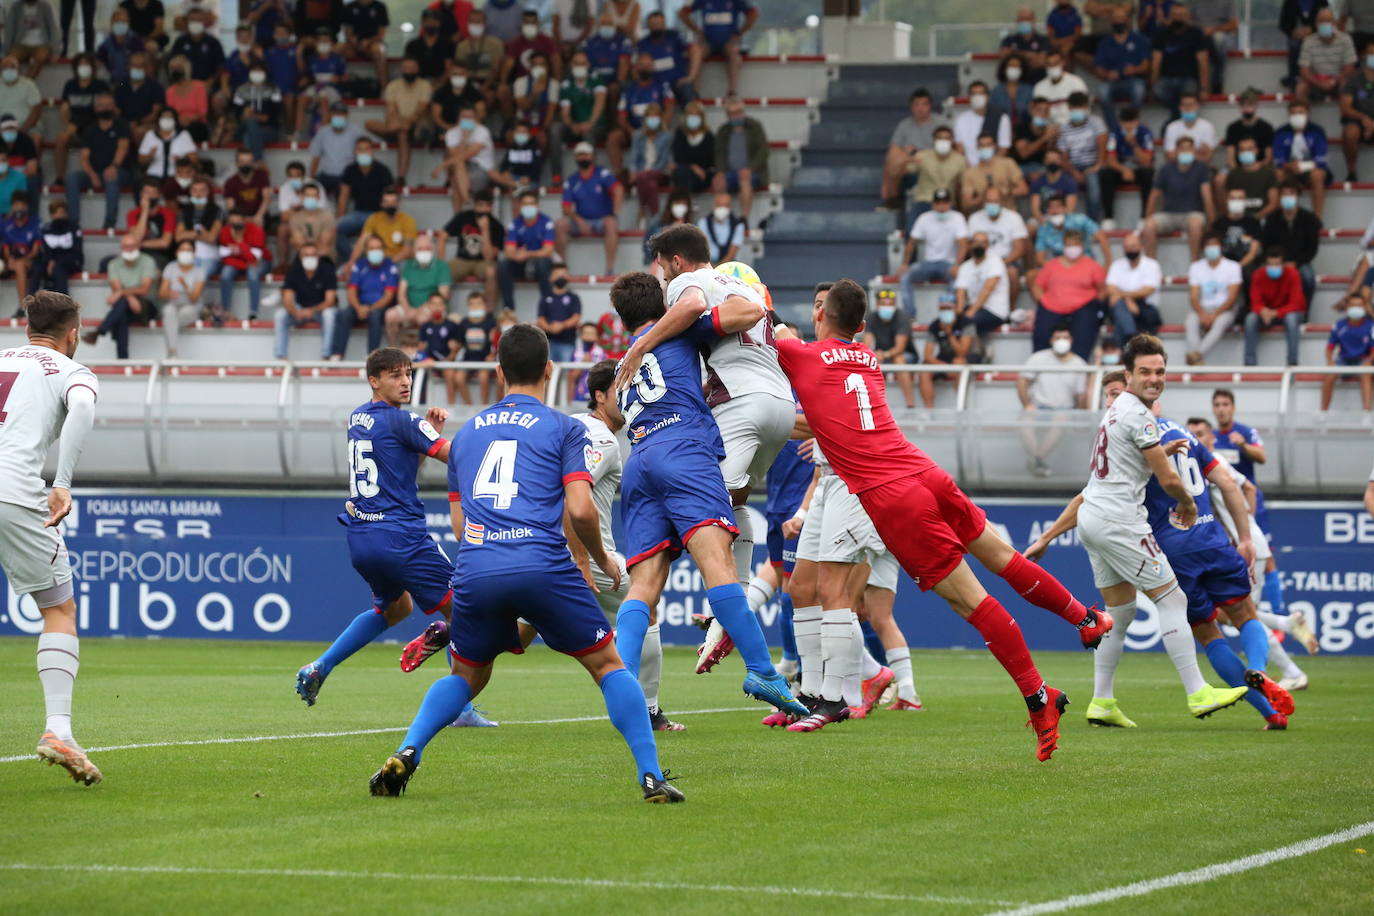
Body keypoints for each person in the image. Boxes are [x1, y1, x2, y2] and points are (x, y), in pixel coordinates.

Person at [774, 279, 1105, 757]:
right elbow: (822, 412)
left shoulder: (803, 356)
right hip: (923, 468)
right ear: (863, 327)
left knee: (970, 602)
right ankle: (1085, 616)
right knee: (1001, 556)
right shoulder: (868, 359)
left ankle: (1039, 697)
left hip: (893, 494)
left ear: (820, 313)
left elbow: (774, 329)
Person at [368, 328, 679, 801]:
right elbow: (579, 509)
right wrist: (601, 561)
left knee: (467, 676)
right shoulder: (565, 427)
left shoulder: (468, 433)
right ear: (550, 370)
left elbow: (458, 525)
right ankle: (651, 775)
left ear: (498, 372)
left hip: (475, 566)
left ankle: (408, 752)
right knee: (607, 665)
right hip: (541, 562)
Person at [1029, 373, 1291, 729]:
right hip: (1205, 537)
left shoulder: (1128, 432)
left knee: (1172, 624)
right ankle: (1238, 679)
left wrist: (1047, 538)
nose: (1112, 402)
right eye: (1108, 395)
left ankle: (1266, 711)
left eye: (1116, 394)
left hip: (1153, 539)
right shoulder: (1183, 435)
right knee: (1237, 613)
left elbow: (1088, 497)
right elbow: (1226, 482)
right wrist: (1241, 534)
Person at [603, 268, 807, 718]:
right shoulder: (680, 332)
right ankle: (762, 671)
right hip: (684, 450)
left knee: (645, 585)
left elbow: (618, 409)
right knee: (717, 565)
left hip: (639, 460)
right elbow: (739, 314)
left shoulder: (623, 364)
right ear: (663, 306)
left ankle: (622, 682)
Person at [295, 348, 464, 710]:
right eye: (394, 375)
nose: (405, 382)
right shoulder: (404, 420)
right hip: (401, 537)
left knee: (395, 609)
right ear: (374, 381)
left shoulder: (358, 418)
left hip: (362, 537)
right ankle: (460, 708)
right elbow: (458, 456)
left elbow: (400, 468)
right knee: (462, 610)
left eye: (408, 374)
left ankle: (320, 666)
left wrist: (428, 434)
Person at [0, 290, 102, 785]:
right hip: (13, 492)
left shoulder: (3, 359)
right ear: (73, 334)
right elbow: (82, 408)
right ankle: (58, 730)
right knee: (58, 608)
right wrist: (61, 483)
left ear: (26, 329)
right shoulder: (69, 370)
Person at [570, 361, 681, 727]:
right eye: (623, 390)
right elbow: (571, 498)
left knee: (516, 636)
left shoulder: (570, 424)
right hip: (582, 555)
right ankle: (647, 710)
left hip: (538, 551)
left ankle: (450, 631)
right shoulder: (602, 439)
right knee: (645, 602)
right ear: (600, 396)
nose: (631, 397)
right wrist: (583, 558)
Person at [1018, 323, 1089, 478]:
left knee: (1061, 420)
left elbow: (1081, 395)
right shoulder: (1038, 358)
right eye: (1058, 337)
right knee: (1025, 422)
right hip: (1038, 407)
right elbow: (1022, 381)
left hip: (1064, 410)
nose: (1061, 340)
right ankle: (1038, 461)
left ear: (1071, 340)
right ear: (1051, 340)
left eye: (1065, 337)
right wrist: (1027, 405)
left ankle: (1037, 459)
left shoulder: (1079, 363)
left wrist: (1079, 417)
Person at [83, 234, 156, 359]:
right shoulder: (114, 264)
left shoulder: (148, 261)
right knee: (122, 314)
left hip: (146, 306)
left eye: (132, 246)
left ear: (138, 246)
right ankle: (122, 357)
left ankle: (99, 332)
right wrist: (128, 297)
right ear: (121, 248)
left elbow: (144, 289)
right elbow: (116, 289)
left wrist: (123, 293)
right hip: (127, 306)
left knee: (120, 305)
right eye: (125, 247)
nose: (129, 250)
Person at [64, 94, 130, 232]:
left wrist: (113, 167)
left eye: (108, 105)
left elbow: (122, 149)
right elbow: (84, 157)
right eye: (101, 105)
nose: (105, 108)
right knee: (72, 178)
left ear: (114, 107)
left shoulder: (121, 125)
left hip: (118, 170)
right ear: (95, 108)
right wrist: (92, 174)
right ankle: (73, 223)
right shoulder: (90, 129)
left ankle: (109, 223)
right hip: (94, 171)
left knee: (111, 178)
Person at [1142, 136, 1212, 264]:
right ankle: (1151, 266)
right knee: (1148, 226)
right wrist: (1148, 217)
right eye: (1182, 149)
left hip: (1192, 214)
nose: (1186, 152)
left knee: (1195, 225)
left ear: (1194, 151)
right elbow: (1154, 196)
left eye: (1189, 148)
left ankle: (1194, 263)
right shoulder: (1166, 169)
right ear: (1176, 151)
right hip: (1168, 214)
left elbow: (1207, 196)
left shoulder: (1201, 168)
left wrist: (1211, 223)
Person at [898, 188, 967, 315]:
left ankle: (949, 316)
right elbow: (912, 242)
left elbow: (963, 244)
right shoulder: (924, 218)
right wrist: (904, 264)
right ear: (933, 204)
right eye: (938, 202)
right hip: (928, 263)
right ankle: (910, 315)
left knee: (959, 278)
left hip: (949, 264)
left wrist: (957, 265)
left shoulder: (958, 218)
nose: (941, 206)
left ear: (950, 204)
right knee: (905, 276)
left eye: (944, 202)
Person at [557, 141, 622, 276]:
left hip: (602, 220)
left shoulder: (602, 174)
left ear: (592, 156)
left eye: (586, 154)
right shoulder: (572, 180)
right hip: (581, 220)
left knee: (611, 223)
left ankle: (609, 270)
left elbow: (618, 188)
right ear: (575, 157)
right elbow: (566, 207)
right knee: (560, 224)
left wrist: (614, 212)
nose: (583, 158)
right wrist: (578, 220)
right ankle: (561, 268)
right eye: (580, 155)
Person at [334, 235, 398, 359]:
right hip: (360, 305)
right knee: (344, 314)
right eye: (372, 248)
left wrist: (371, 308)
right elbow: (351, 290)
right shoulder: (359, 265)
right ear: (366, 251)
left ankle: (372, 356)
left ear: (384, 250)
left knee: (375, 315)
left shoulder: (390, 266)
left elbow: (389, 295)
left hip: (380, 306)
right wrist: (358, 308)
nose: (376, 251)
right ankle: (337, 354)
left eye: (379, 248)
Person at [1185, 233, 1243, 365]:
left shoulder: (1233, 267)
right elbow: (1193, 297)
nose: (1212, 248)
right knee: (1190, 322)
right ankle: (1196, 357)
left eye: (1214, 245)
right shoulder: (1196, 267)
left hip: (1225, 309)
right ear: (1203, 249)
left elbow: (1232, 297)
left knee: (1220, 323)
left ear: (1221, 247)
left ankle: (1196, 355)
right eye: (1208, 245)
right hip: (1203, 308)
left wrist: (1215, 314)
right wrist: (1202, 314)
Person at [552, 50, 608, 185]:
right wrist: (572, 125)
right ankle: (556, 175)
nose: (579, 66)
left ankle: (591, 176)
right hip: (575, 127)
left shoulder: (596, 79)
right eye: (576, 64)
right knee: (555, 128)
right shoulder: (566, 85)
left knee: (588, 134)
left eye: (583, 63)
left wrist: (590, 122)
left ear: (588, 65)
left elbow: (599, 102)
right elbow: (565, 112)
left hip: (595, 126)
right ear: (571, 66)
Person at [679, 0, 757, 98]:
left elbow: (754, 13)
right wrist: (697, 30)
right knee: (696, 50)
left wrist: (739, 33)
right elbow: (682, 13)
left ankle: (732, 91)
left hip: (728, 43)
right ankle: (694, 91)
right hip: (709, 42)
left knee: (734, 52)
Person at [439, 189, 502, 309]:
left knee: (491, 271)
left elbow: (489, 257)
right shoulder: (463, 217)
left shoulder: (497, 226)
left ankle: (489, 312)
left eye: (486, 206)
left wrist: (485, 231)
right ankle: (441, 310)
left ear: (491, 207)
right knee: (443, 271)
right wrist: (440, 262)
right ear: (474, 205)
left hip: (483, 262)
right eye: (480, 205)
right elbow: (442, 235)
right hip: (462, 260)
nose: (483, 209)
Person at [1262, 182, 1321, 306]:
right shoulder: (1271, 219)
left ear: (1297, 196)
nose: (1288, 197)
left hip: (1301, 262)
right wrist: (1278, 262)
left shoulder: (1309, 219)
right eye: (1284, 194)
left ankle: (1304, 313)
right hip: (1275, 260)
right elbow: (1266, 245)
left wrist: (1296, 263)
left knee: (1308, 279)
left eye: (1291, 194)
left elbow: (1312, 248)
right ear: (1279, 197)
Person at [275, 242, 338, 360]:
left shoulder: (327, 269)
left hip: (320, 310)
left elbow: (330, 300)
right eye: (306, 255)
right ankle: (281, 356)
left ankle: (326, 355)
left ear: (318, 256)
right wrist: (295, 312)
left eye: (313, 255)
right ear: (300, 257)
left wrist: (311, 310)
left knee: (329, 314)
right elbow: (287, 298)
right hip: (299, 310)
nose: (310, 258)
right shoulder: (294, 270)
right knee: (280, 315)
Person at [712, 94, 769, 223]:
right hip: (730, 172)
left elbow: (763, 151)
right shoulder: (723, 130)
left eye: (738, 112)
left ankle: (744, 217)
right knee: (719, 181)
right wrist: (720, 172)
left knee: (745, 177)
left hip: (753, 172)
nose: (735, 116)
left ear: (743, 112)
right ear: (727, 114)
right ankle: (722, 219)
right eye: (732, 113)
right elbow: (719, 154)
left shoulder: (755, 126)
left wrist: (750, 168)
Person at [338, 137, 396, 261]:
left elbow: (392, 197)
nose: (363, 152)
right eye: (360, 149)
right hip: (358, 213)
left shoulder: (383, 170)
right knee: (336, 229)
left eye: (367, 149)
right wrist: (341, 217)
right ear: (355, 152)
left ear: (372, 151)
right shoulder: (350, 170)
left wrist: (389, 217)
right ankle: (349, 261)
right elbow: (343, 197)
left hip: (379, 214)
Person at [881, 88, 943, 207]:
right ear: (911, 107)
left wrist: (918, 152)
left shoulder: (940, 123)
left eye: (924, 104)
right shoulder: (904, 125)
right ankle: (892, 200)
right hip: (912, 163)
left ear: (930, 106)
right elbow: (893, 151)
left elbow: (947, 147)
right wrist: (904, 154)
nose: (920, 108)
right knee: (893, 160)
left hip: (935, 161)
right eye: (916, 104)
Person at [967, 187, 1029, 305]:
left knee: (1012, 273)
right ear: (983, 202)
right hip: (981, 259)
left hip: (1007, 260)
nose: (992, 204)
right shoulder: (974, 218)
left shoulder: (1014, 217)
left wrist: (1001, 262)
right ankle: (973, 308)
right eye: (989, 201)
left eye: (995, 201)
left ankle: (1010, 311)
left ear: (1002, 201)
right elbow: (970, 245)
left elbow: (1020, 249)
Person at [1245, 248, 1306, 365]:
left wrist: (1275, 313)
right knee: (1250, 319)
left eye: (1277, 264)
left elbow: (1296, 303)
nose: (1273, 267)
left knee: (1291, 319)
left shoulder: (1293, 274)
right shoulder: (1258, 275)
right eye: (1270, 264)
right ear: (1264, 265)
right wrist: (1262, 311)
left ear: (1283, 264)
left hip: (1289, 313)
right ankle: (1249, 362)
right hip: (1266, 314)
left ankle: (1292, 362)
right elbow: (1255, 302)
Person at [54, 55, 110, 181]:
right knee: (61, 138)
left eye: (87, 64)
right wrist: (68, 124)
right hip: (74, 127)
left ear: (93, 68)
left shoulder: (101, 85)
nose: (84, 67)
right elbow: (64, 107)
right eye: (81, 64)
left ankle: (98, 175)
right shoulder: (70, 85)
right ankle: (59, 177)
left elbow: (106, 110)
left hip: (95, 126)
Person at [1093, 5, 1150, 128]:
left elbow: (1146, 65)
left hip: (1133, 80)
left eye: (1121, 18)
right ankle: (1114, 129)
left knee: (1139, 90)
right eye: (1115, 18)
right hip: (1112, 82)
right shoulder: (1105, 42)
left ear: (1128, 20)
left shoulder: (1139, 39)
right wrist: (1107, 74)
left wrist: (1134, 69)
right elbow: (1099, 68)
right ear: (1111, 21)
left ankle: (1130, 124)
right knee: (1102, 91)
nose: (1118, 21)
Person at [1055, 91, 1108, 221]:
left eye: (1081, 107)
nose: (1078, 110)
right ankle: (1063, 220)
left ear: (1087, 107)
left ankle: (1093, 221)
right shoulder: (1064, 128)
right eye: (1074, 107)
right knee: (1061, 182)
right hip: (1072, 166)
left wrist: (1098, 165)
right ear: (1069, 108)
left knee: (1093, 183)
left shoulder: (1096, 122)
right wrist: (1073, 172)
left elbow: (1103, 145)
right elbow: (1063, 156)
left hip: (1093, 164)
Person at [1151, 3, 1210, 119]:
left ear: (1188, 16)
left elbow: (1203, 63)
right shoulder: (1161, 33)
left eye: (1181, 15)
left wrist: (1204, 88)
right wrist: (1152, 85)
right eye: (1174, 15)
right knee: (1158, 91)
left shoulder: (1196, 34)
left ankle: (1173, 119)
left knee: (1188, 96)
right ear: (1170, 16)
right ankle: (1178, 115)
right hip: (1166, 78)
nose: (1178, 18)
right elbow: (1156, 62)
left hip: (1189, 79)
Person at [499, 189, 556, 310]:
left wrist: (527, 254)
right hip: (520, 263)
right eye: (525, 204)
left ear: (538, 205)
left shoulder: (546, 222)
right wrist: (517, 256)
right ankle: (508, 309)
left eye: (532, 203)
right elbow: (509, 251)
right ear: (520, 206)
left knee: (543, 263)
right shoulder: (515, 223)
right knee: (504, 265)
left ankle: (548, 306)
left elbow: (548, 250)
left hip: (539, 263)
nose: (528, 207)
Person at [1273, 99, 1330, 218]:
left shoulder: (1317, 131)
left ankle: (1317, 218)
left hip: (1311, 169)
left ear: (1308, 114)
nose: (1297, 116)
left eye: (1301, 112)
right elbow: (1278, 159)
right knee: (1278, 174)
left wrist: (1303, 166)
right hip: (1289, 170)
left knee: (1317, 175)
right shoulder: (1281, 132)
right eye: (1293, 113)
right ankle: (1280, 216)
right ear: (1289, 115)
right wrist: (1290, 166)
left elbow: (1320, 158)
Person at [1099, 105, 1155, 225]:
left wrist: (1134, 144)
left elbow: (1147, 160)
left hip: (1139, 170)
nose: (1129, 126)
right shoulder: (1115, 135)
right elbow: (1110, 160)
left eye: (1132, 122)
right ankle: (1108, 218)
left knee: (1148, 173)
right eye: (1125, 123)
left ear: (1137, 122)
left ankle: (1144, 217)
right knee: (1105, 174)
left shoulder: (1145, 134)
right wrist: (1124, 170)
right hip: (1121, 170)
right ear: (1120, 123)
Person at [434, 103, 495, 211]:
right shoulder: (451, 133)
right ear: (459, 118)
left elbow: (467, 155)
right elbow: (457, 157)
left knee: (455, 178)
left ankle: (461, 214)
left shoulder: (482, 131)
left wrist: (442, 166)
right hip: (461, 170)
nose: (467, 120)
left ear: (476, 118)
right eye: (464, 117)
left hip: (481, 171)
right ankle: (466, 202)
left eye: (470, 117)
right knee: (456, 174)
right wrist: (464, 139)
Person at [919, 296, 978, 407]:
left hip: (969, 357)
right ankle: (929, 412)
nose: (945, 311)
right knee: (924, 371)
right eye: (942, 308)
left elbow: (962, 351)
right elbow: (927, 355)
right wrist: (942, 365)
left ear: (955, 308)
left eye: (948, 308)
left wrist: (949, 333)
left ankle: (961, 408)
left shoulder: (966, 323)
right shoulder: (935, 325)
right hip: (945, 360)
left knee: (958, 362)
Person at [1106, 232, 1163, 345]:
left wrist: (1123, 296)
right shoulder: (1117, 265)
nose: (1130, 250)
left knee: (1120, 312)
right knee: (1120, 307)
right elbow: (1110, 288)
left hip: (1145, 309)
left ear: (1141, 246)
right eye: (1127, 247)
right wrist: (1128, 300)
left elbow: (1147, 290)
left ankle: (1122, 347)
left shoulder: (1152, 265)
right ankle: (1131, 337)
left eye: (1133, 247)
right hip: (1123, 306)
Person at [954, 230, 1012, 340]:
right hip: (974, 308)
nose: (980, 245)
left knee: (967, 321)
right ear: (970, 244)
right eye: (976, 242)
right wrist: (959, 311)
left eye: (983, 242)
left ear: (988, 246)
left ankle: (973, 353)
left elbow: (988, 289)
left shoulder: (995, 261)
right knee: (945, 321)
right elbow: (960, 291)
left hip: (995, 311)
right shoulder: (965, 266)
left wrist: (971, 311)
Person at [864, 290, 915, 409]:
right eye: (883, 304)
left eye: (890, 304)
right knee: (871, 361)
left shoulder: (902, 317)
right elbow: (867, 344)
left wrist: (884, 355)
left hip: (906, 356)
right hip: (880, 355)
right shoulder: (871, 317)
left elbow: (900, 348)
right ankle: (874, 405)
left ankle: (910, 404)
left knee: (899, 359)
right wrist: (875, 355)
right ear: (877, 305)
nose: (887, 307)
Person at [1322, 295, 1374, 410]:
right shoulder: (1339, 325)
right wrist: (1330, 362)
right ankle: (1323, 412)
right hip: (1344, 360)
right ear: (1346, 308)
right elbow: (1329, 348)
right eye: (1352, 305)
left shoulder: (1370, 326)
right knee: (1329, 375)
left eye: (1359, 305)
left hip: (1363, 360)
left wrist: (1369, 361)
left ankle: (1367, 412)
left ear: (1365, 307)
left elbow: (1373, 350)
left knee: (1366, 373)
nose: (1356, 308)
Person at [1296, 7, 1357, 104]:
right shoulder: (1308, 41)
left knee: (1346, 85)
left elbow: (1349, 68)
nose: (1324, 24)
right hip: (1316, 81)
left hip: (1338, 80)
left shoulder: (1345, 39)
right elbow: (1304, 71)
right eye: (1321, 21)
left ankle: (1347, 118)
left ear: (1334, 23)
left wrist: (1334, 81)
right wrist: (1320, 83)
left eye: (1328, 20)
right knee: (1301, 88)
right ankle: (1303, 116)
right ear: (1316, 24)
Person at [217, 212, 270, 322]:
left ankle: (253, 313)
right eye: (232, 223)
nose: (236, 226)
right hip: (239, 263)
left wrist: (240, 242)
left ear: (245, 221)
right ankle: (226, 311)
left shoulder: (256, 230)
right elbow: (224, 257)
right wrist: (243, 265)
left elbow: (255, 259)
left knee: (252, 273)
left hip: (262, 261)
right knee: (226, 273)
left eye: (238, 222)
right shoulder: (225, 231)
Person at [296, 28, 348, 137]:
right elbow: (308, 75)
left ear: (331, 43)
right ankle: (298, 132)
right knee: (302, 99)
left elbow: (345, 77)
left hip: (331, 89)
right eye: (320, 41)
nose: (323, 44)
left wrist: (337, 78)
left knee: (323, 99)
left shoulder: (337, 59)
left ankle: (324, 134)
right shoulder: (312, 59)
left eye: (326, 41)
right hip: (316, 86)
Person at [157, 240, 205, 357]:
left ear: (194, 253)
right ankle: (173, 351)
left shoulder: (200, 271)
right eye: (182, 250)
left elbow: (194, 297)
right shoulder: (170, 267)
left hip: (192, 306)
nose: (185, 253)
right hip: (174, 304)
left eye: (189, 250)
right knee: (168, 310)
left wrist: (185, 285)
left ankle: (171, 353)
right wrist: (169, 293)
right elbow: (161, 293)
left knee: (178, 316)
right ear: (177, 252)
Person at [1034, 193, 1111, 264]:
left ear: (1065, 208)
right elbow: (1039, 258)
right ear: (1047, 211)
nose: (1055, 211)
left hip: (1085, 262)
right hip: (1061, 266)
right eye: (1051, 207)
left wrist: (1108, 263)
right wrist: (1055, 269)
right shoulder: (1044, 229)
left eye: (1058, 207)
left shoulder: (1079, 220)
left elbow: (1101, 236)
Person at [961, 133, 1028, 214]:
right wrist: (985, 197)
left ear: (994, 146)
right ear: (977, 147)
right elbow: (966, 204)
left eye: (989, 145)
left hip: (1008, 213)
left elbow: (1024, 189)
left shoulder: (1008, 163)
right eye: (982, 145)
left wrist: (1006, 192)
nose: (985, 148)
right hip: (983, 216)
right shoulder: (970, 173)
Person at [449, 291, 496, 404]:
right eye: (472, 304)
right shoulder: (464, 323)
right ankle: (469, 406)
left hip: (484, 360)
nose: (475, 306)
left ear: (485, 305)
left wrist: (493, 355)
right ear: (468, 306)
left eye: (479, 303)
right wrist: (452, 354)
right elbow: (459, 343)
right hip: (467, 359)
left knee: (483, 377)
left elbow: (495, 343)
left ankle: (483, 405)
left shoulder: (491, 322)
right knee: (459, 378)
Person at [629, 101, 673, 221]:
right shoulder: (638, 136)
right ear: (645, 119)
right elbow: (634, 157)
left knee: (644, 177)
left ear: (660, 119)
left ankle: (642, 209)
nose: (653, 120)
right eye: (650, 117)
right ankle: (656, 216)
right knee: (650, 184)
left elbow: (663, 161)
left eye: (656, 117)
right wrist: (633, 171)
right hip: (643, 174)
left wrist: (645, 173)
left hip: (660, 172)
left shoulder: (666, 136)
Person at [308, 103, 364, 196]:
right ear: (330, 115)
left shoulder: (356, 132)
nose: (339, 117)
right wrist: (311, 179)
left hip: (347, 175)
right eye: (336, 114)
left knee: (343, 190)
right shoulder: (323, 132)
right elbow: (315, 157)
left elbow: (362, 153)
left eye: (342, 114)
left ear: (347, 116)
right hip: (326, 174)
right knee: (311, 192)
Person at [232, 60, 284, 160]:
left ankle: (248, 163)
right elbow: (237, 114)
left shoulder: (273, 89)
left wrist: (254, 116)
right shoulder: (241, 90)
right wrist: (247, 115)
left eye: (259, 71)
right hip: (243, 127)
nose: (257, 73)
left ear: (265, 73)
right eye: (254, 71)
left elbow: (273, 116)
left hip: (269, 130)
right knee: (250, 123)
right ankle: (259, 162)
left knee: (248, 136)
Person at [353, 187, 417, 265]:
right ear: (382, 204)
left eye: (393, 202)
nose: (390, 205)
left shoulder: (408, 221)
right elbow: (361, 243)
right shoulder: (374, 219)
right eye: (386, 202)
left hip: (400, 260)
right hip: (378, 259)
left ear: (398, 203)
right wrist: (351, 262)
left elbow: (407, 250)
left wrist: (387, 265)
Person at [1339, 40, 1374, 182]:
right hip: (1358, 121)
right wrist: (1364, 119)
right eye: (1371, 53)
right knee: (1350, 132)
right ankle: (1351, 171)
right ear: (1364, 55)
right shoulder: (1353, 79)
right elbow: (1345, 107)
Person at [176, 176, 223, 279]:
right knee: (177, 276)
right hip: (188, 254)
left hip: (209, 256)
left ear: (208, 192)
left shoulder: (216, 210)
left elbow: (212, 238)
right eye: (195, 190)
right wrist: (200, 233)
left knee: (198, 278)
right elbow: (178, 236)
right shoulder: (185, 210)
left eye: (202, 190)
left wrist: (191, 234)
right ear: (190, 192)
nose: (198, 194)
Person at [954, 82, 1012, 167]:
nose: (978, 97)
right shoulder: (960, 120)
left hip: (994, 167)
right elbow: (960, 149)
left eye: (981, 93)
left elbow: (1004, 148)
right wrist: (972, 171)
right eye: (974, 94)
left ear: (988, 97)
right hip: (968, 168)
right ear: (969, 97)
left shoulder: (1001, 118)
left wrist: (990, 169)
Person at [1222, 136, 1279, 220]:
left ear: (1256, 150)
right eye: (1242, 150)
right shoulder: (1233, 174)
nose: (1246, 152)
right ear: (1238, 153)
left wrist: (1256, 217)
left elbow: (1273, 203)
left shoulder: (1268, 173)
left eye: (1249, 149)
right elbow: (1227, 201)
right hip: (1240, 219)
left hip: (1263, 218)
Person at [126, 178, 177, 269]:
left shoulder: (168, 214)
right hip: (138, 253)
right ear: (141, 194)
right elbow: (136, 238)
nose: (150, 196)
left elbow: (165, 242)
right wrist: (145, 211)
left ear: (158, 195)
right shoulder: (133, 214)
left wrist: (141, 244)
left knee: (150, 267)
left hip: (162, 255)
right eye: (147, 192)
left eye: (153, 193)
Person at [35, 199, 83, 297]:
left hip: (72, 261)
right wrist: (51, 260)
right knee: (38, 267)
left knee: (58, 268)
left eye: (62, 212)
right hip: (52, 261)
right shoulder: (46, 229)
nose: (60, 215)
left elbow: (76, 251)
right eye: (56, 212)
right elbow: (47, 251)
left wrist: (55, 260)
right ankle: (27, 304)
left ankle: (64, 303)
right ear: (51, 215)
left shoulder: (74, 227)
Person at [1212, 187, 1264, 277]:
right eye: (1233, 198)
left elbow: (1253, 252)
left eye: (1240, 198)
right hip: (1224, 264)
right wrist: (1228, 267)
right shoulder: (1218, 224)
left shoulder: (1253, 222)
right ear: (1227, 200)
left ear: (1245, 201)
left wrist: (1237, 267)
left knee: (1250, 273)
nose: (1236, 201)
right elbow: (1216, 249)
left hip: (1246, 264)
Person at [535, 263, 582, 362]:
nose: (560, 276)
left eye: (563, 274)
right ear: (550, 277)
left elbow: (576, 317)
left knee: (565, 373)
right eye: (557, 274)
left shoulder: (573, 298)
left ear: (568, 276)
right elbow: (540, 318)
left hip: (567, 342)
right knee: (549, 373)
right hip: (548, 342)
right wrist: (550, 328)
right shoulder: (545, 298)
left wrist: (562, 325)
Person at [285, 180, 335, 267]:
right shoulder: (295, 218)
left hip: (324, 256)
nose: (311, 198)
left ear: (318, 197)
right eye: (307, 195)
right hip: (303, 256)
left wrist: (302, 242)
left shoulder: (328, 216)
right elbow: (299, 242)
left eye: (314, 196)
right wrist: (301, 243)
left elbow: (325, 243)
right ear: (302, 197)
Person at [3, 0, 58, 78]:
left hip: (42, 45)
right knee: (10, 60)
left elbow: (53, 29)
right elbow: (10, 29)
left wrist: (55, 51)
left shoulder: (46, 6)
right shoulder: (15, 7)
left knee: (40, 57)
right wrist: (7, 51)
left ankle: (26, 83)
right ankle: (21, 81)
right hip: (21, 45)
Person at [341, 0, 390, 85]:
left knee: (378, 51)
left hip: (373, 43)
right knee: (338, 49)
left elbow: (381, 33)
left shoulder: (380, 7)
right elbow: (347, 30)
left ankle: (384, 88)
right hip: (353, 45)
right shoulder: (350, 7)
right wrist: (352, 39)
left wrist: (369, 41)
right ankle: (336, 86)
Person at [1032, 50, 1088, 126]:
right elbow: (1038, 115)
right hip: (1051, 129)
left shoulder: (1076, 82)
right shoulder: (1039, 87)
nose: (1052, 67)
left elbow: (1084, 110)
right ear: (1045, 65)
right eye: (1049, 64)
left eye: (1056, 63)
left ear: (1062, 63)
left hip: (1074, 125)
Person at [1000, 6, 1053, 84]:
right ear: (1017, 21)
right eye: (1022, 19)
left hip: (1038, 81)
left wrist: (1015, 54)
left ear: (1033, 20)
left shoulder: (1043, 40)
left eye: (1027, 19)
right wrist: (1032, 56)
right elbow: (1004, 58)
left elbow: (1041, 62)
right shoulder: (1008, 40)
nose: (1024, 22)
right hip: (1015, 84)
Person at [1162, 92, 1217, 165]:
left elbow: (1207, 158)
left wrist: (1180, 152)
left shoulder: (1207, 127)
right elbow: (1170, 157)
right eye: (1184, 105)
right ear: (1180, 107)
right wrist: (1196, 152)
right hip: (1176, 169)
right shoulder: (1171, 127)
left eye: (1191, 105)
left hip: (1200, 169)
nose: (1188, 108)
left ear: (1197, 106)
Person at [222, 146, 272, 224]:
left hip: (260, 215)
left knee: (260, 223)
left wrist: (258, 216)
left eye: (248, 161)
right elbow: (231, 207)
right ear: (236, 163)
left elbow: (267, 198)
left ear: (253, 163)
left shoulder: (262, 176)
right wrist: (243, 219)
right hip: (239, 217)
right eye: (242, 161)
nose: (245, 164)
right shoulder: (230, 182)